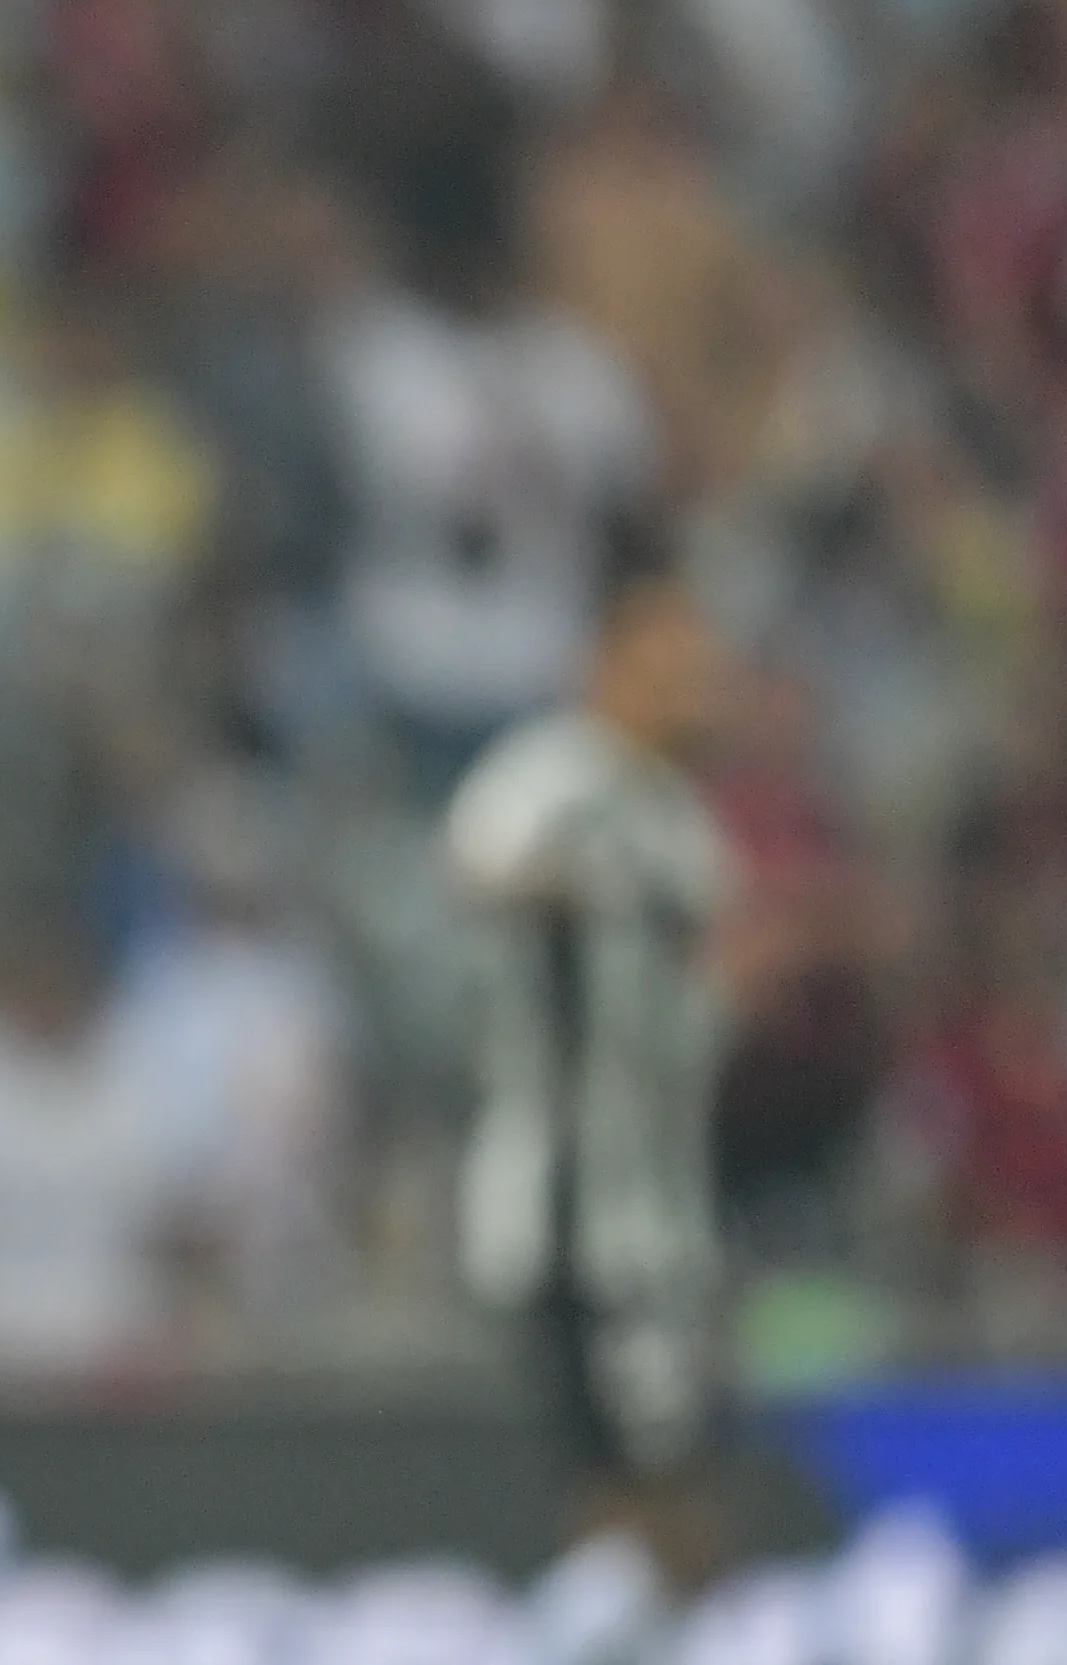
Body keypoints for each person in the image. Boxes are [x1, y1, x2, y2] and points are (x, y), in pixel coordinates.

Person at [445, 543, 736, 1588]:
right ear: (607, 663)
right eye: (671, 662)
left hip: (667, 1199)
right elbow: (482, 863)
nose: (696, 688)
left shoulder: (683, 816)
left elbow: (705, 988)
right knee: (631, 1480)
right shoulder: (552, 776)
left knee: (677, 1466)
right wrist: (588, 893)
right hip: (577, 1202)